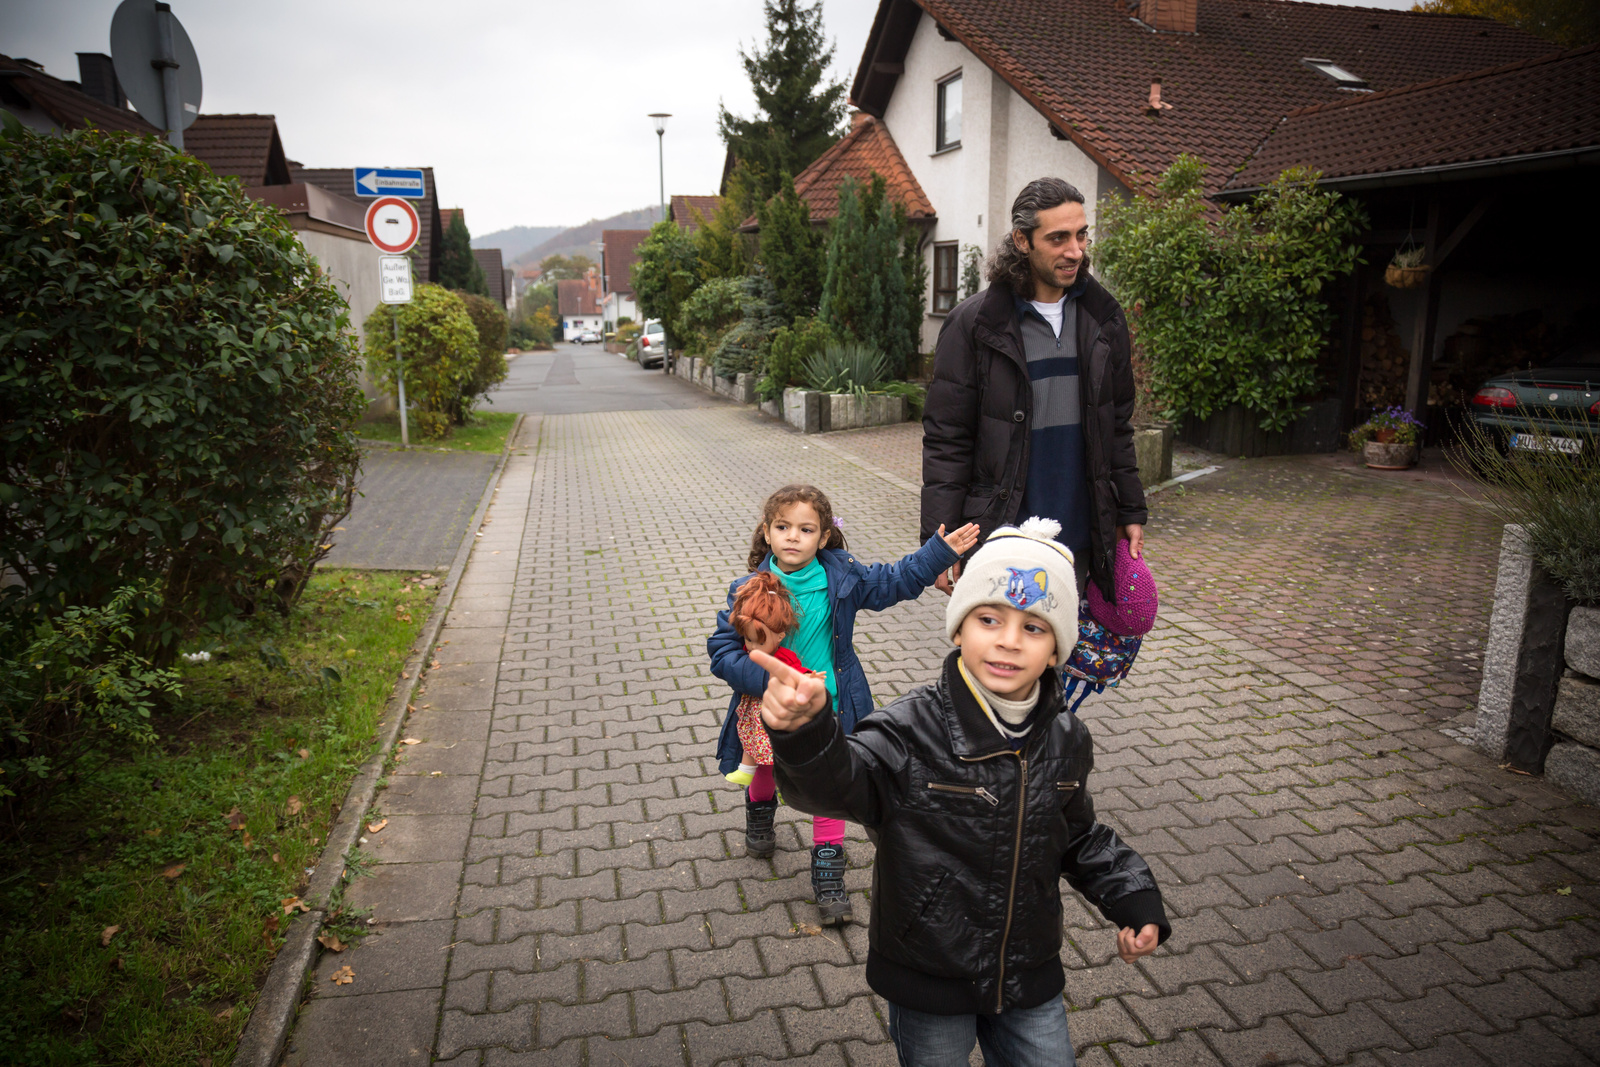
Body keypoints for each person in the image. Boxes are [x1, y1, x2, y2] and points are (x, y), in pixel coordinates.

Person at [754, 517, 1169, 1066]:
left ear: (1057, 650)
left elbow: (1077, 834)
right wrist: (806, 734)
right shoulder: (908, 727)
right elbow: (838, 788)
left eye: (1034, 627)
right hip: (930, 975)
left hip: (1027, 973)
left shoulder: (1067, 736)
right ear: (958, 630)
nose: (1008, 640)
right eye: (989, 619)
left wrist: (1134, 897)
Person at [708, 484, 980, 925]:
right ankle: (759, 814)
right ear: (767, 532)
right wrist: (769, 680)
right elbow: (723, 652)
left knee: (828, 786)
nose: (793, 536)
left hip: (830, 707)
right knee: (766, 769)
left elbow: (894, 580)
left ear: (823, 537)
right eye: (783, 527)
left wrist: (938, 554)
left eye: (806, 529)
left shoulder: (844, 578)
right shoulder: (747, 589)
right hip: (771, 706)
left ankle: (828, 875)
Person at [922, 177, 1147, 607]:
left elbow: (1117, 426)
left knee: (1063, 648)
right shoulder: (975, 324)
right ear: (1022, 240)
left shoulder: (1104, 318)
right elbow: (947, 440)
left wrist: (1130, 510)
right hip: (1000, 537)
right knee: (1000, 647)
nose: (1075, 251)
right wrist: (940, 542)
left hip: (1080, 538)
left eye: (1081, 235)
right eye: (1058, 238)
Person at [721, 571, 807, 852]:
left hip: (774, 714)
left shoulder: (784, 658)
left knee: (768, 755)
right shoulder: (746, 653)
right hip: (753, 711)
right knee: (753, 748)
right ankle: (748, 774)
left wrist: (808, 680)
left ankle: (775, 781)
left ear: (780, 636)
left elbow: (798, 672)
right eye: (748, 641)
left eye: (759, 642)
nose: (752, 648)